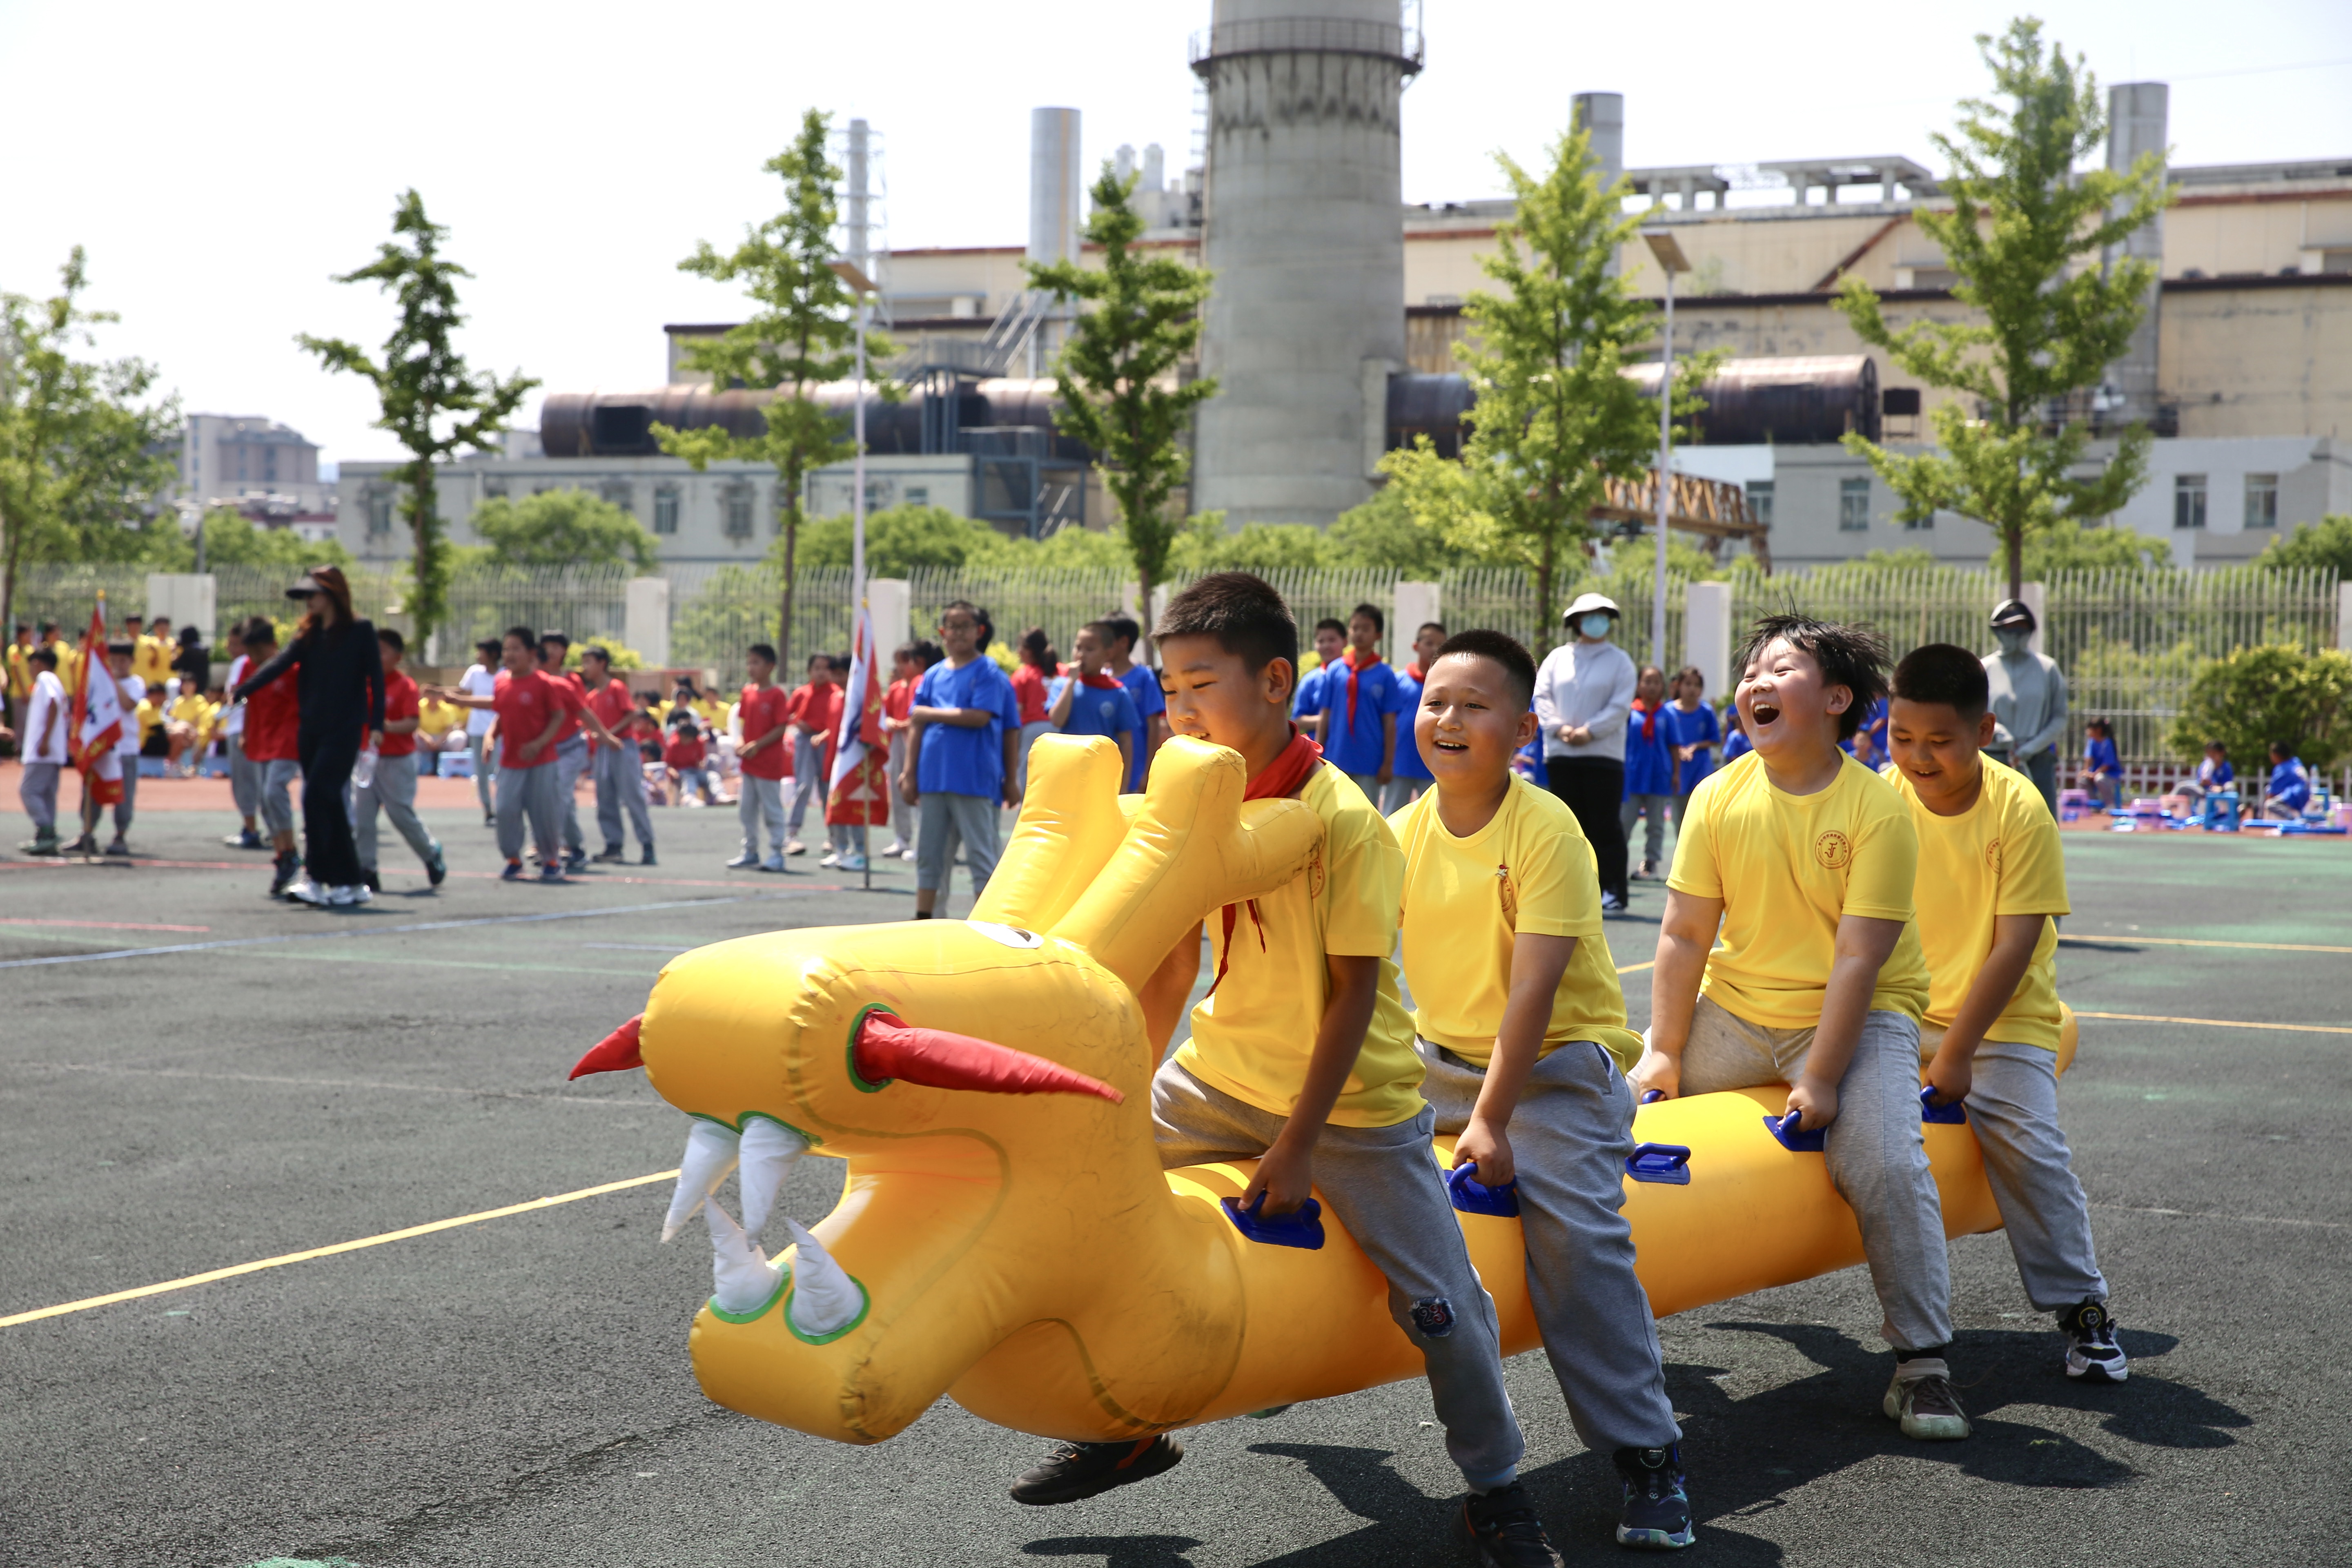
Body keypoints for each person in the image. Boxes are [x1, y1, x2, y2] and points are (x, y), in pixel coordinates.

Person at [1007, 571, 1557, 1568]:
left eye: (1198, 684)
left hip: (1350, 1105)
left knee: (1442, 1304)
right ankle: (1129, 1422)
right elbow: (1173, 962)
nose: (1178, 709)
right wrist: (1121, 1094)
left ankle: (1496, 1485)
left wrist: (1299, 1146)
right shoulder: (1194, 790)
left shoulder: (1341, 818)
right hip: (1214, 1078)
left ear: (1272, 680)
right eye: (1167, 688)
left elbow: (1351, 996)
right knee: (1075, 1190)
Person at [1391, 628, 1694, 1551]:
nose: (1446, 719)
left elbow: (1532, 988)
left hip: (1555, 1067)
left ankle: (1648, 1455)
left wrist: (1488, 1117)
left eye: (1473, 705)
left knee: (1574, 1235)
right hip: (1438, 1058)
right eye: (1435, 700)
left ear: (1523, 729)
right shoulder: (1400, 830)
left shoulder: (1544, 826)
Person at [1632, 614, 1964, 1442]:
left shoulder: (1878, 809)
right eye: (1749, 669)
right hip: (1740, 1011)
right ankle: (1613, 1334)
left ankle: (1922, 1366)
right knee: (1614, 1120)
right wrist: (1665, 1050)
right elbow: (1682, 936)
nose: (1753, 682)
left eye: (1778, 668)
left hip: (1863, 1013)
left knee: (1884, 1160)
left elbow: (1859, 962)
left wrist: (1819, 1077)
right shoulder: (1717, 794)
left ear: (1836, 701)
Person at [1885, 643, 2127, 1385]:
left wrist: (1957, 1054)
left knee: (2029, 1143)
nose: (1918, 758)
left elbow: (2016, 944)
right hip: (1902, 1007)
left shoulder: (2019, 808)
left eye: (1939, 741)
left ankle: (2082, 1305)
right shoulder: (1878, 797)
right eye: (1901, 737)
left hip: (2003, 1020)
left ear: (1984, 732)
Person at [233, 570, 385, 906]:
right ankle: (348, 881)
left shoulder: (360, 631)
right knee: (327, 804)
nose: (308, 602)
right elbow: (281, 663)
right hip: (311, 729)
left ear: (331, 595)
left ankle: (318, 876)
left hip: (344, 730)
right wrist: (245, 690)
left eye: (313, 595)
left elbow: (376, 675)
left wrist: (377, 724)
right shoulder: (308, 634)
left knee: (317, 796)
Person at [899, 600, 1019, 918]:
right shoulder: (933, 675)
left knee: (982, 855)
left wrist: (1011, 777)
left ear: (979, 631)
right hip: (933, 778)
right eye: (952, 626)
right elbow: (916, 727)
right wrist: (909, 772)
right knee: (930, 855)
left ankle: (988, 923)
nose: (958, 633)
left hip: (975, 779)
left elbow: (982, 718)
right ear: (942, 632)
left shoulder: (988, 672)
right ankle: (926, 920)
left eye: (966, 626)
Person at [436, 626, 569, 881]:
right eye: (507, 649)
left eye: (516, 649)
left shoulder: (544, 683)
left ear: (531, 653)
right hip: (511, 761)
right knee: (506, 809)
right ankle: (513, 859)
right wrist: (489, 737)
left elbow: (559, 716)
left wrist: (540, 743)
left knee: (543, 812)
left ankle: (551, 860)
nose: (509, 654)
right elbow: (500, 710)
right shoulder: (502, 681)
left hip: (542, 761)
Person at [1534, 592, 1638, 913]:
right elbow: (1542, 697)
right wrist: (1562, 730)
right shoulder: (1557, 658)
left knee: (1605, 825)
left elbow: (1620, 707)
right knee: (1569, 826)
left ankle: (1613, 891)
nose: (1597, 621)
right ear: (1576, 622)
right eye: (1590, 615)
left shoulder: (1620, 661)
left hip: (1603, 756)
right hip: (1562, 754)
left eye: (1603, 615)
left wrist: (1589, 731)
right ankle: (1574, 889)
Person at [353, 628, 448, 893]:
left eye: (382, 651)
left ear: (398, 656)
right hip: (366, 759)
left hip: (397, 760)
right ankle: (367, 869)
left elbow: (412, 723)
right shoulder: (362, 682)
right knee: (363, 819)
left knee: (401, 815)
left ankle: (431, 853)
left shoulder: (405, 685)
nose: (375, 656)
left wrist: (385, 729)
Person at [1982, 599, 2067, 818]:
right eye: (2009, 628)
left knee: (2041, 819)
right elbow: (1974, 712)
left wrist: (2030, 748)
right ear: (1997, 630)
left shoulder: (2047, 668)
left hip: (2037, 759)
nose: (2016, 633)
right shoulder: (1985, 668)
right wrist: (2000, 734)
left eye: (2021, 627)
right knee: (1995, 821)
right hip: (1995, 755)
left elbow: (2059, 717)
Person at [238, 619, 305, 894]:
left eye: (260, 653)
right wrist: (245, 733)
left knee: (274, 790)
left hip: (288, 738)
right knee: (264, 802)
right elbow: (248, 701)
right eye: (251, 653)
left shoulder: (292, 669)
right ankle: (282, 856)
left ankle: (291, 851)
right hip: (262, 737)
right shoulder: (247, 668)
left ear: (274, 647)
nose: (255, 659)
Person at [1320, 602, 1403, 802]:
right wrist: (1319, 751)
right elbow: (1326, 715)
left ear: (1378, 635)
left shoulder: (1385, 675)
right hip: (1336, 757)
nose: (1359, 634)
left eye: (1366, 629)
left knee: (1366, 814)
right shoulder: (1335, 670)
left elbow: (1390, 723)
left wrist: (1388, 763)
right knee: (1334, 812)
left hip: (1370, 761)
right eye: (1355, 628)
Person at [1046, 620, 1141, 782]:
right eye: (1078, 647)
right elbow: (1057, 720)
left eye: (1090, 649)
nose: (1081, 654)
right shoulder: (1062, 685)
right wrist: (1071, 682)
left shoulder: (1117, 692)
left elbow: (1126, 742)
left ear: (1108, 654)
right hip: (1067, 773)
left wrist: (1123, 785)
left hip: (1101, 776)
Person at [731, 643, 794, 872]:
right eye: (749, 662)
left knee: (772, 810)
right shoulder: (748, 692)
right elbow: (744, 723)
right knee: (746, 809)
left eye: (756, 663)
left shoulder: (777, 694)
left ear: (770, 666)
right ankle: (750, 851)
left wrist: (758, 745)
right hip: (749, 763)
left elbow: (781, 727)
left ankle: (777, 852)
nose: (751, 667)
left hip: (768, 764)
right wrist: (740, 742)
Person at [81, 641, 145, 857]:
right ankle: (87, 833)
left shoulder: (135, 683)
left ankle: (120, 835)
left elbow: (128, 704)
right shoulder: (98, 683)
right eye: (113, 660)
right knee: (93, 791)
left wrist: (113, 680)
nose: (118, 664)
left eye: (123, 660)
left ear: (132, 662)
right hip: (102, 749)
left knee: (124, 794)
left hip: (126, 749)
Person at [1381, 619, 1445, 813]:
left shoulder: (1445, 687)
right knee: (1392, 816)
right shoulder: (1398, 681)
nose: (1434, 649)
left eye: (1440, 645)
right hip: (1399, 764)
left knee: (1435, 815)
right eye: (1429, 643)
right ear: (1416, 646)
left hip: (1433, 765)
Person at [782, 653, 842, 856]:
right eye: (817, 668)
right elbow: (787, 714)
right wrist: (798, 723)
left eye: (826, 668)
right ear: (810, 671)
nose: (821, 672)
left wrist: (823, 733)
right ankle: (792, 834)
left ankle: (834, 837)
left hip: (827, 742)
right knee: (804, 786)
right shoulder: (801, 693)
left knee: (827, 788)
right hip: (805, 741)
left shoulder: (836, 693)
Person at [1619, 664, 1674, 882]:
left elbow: (1674, 746)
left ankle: (1650, 863)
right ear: (1638, 685)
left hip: (1659, 777)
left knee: (1656, 824)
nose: (1652, 686)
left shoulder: (1667, 714)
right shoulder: (1628, 712)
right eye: (1647, 681)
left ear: (1663, 686)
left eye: (1656, 682)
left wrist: (1676, 774)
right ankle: (1616, 863)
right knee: (1624, 822)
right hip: (1631, 777)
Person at [1104, 615, 1169, 792]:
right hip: (1104, 771)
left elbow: (1154, 727)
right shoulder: (1099, 679)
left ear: (1124, 642)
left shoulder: (1143, 677)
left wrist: (1147, 772)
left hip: (1135, 771)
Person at [877, 642, 927, 859]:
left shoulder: (921, 683)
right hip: (898, 740)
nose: (900, 667)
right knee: (898, 787)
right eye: (898, 662)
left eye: (905, 662)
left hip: (916, 738)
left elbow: (920, 714)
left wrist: (906, 724)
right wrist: (890, 721)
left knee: (919, 789)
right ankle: (902, 837)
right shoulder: (896, 688)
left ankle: (922, 841)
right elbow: (885, 711)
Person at [16, 646, 67, 855]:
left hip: (43, 751)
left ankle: (47, 831)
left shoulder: (45, 678)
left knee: (28, 790)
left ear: (37, 663)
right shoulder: (52, 680)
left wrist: (44, 740)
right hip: (51, 750)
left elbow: (53, 704)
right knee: (46, 795)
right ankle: (45, 835)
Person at [1662, 666, 1720, 838]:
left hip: (1700, 769)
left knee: (1702, 814)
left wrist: (1695, 746)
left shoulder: (1706, 711)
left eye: (1697, 685)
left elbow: (1714, 738)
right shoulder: (1668, 711)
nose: (1692, 689)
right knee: (1680, 816)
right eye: (1688, 684)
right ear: (1678, 686)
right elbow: (1663, 739)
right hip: (1678, 770)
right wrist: (1678, 749)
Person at [459, 638, 501, 825]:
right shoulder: (474, 672)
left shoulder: (505, 674)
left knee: (500, 771)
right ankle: (488, 811)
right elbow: (462, 692)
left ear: (493, 654)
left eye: (481, 652)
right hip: (477, 730)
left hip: (500, 731)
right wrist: (439, 691)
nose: (477, 656)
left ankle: (504, 809)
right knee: (482, 773)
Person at [1012, 627, 1058, 793]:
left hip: (1032, 733)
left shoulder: (1022, 675)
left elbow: (1016, 712)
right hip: (1062, 731)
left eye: (1022, 648)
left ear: (1031, 652)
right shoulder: (1063, 671)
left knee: (1028, 781)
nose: (1019, 652)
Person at [1292, 617, 1348, 742]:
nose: (1326, 646)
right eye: (1321, 641)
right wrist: (1330, 720)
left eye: (1332, 640)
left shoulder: (1356, 677)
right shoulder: (1310, 681)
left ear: (1345, 642)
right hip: (1320, 754)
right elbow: (1298, 721)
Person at [665, 716, 714, 806]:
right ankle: (689, 798)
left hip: (696, 771)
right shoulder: (673, 745)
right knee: (689, 778)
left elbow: (701, 759)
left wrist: (701, 764)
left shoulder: (698, 742)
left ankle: (719, 796)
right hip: (681, 773)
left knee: (713, 777)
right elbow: (668, 765)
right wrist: (673, 773)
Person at [2078, 718, 2124, 810]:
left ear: (2099, 730)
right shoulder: (2092, 742)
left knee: (2100, 779)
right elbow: (2089, 759)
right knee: (2082, 780)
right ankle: (2094, 805)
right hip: (2096, 773)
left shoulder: (2107, 743)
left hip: (2110, 775)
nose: (2088, 732)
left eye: (2090, 729)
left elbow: (2107, 765)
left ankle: (2110, 804)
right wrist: (2086, 772)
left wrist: (2095, 775)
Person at [2262, 740, 2312, 820]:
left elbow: (2271, 794)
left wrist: (2262, 814)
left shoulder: (2282, 768)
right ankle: (2296, 817)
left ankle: (2294, 819)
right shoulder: (2296, 761)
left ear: (2277, 755)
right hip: (2307, 794)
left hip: (2295, 795)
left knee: (2269, 804)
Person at [2174, 740, 2233, 804]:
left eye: (2214, 754)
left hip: (2220, 792)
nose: (2211, 757)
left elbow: (2227, 783)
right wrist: (2204, 782)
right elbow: (2200, 783)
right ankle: (2167, 807)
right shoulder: (2205, 765)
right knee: (2182, 786)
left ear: (2222, 753)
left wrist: (2219, 788)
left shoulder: (2226, 767)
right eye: (2209, 754)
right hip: (2205, 791)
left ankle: (2233, 809)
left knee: (2231, 787)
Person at [171, 624, 209, 704]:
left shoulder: (187, 652)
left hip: (188, 686)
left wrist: (174, 653)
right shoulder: (204, 652)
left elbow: (174, 667)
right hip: (202, 686)